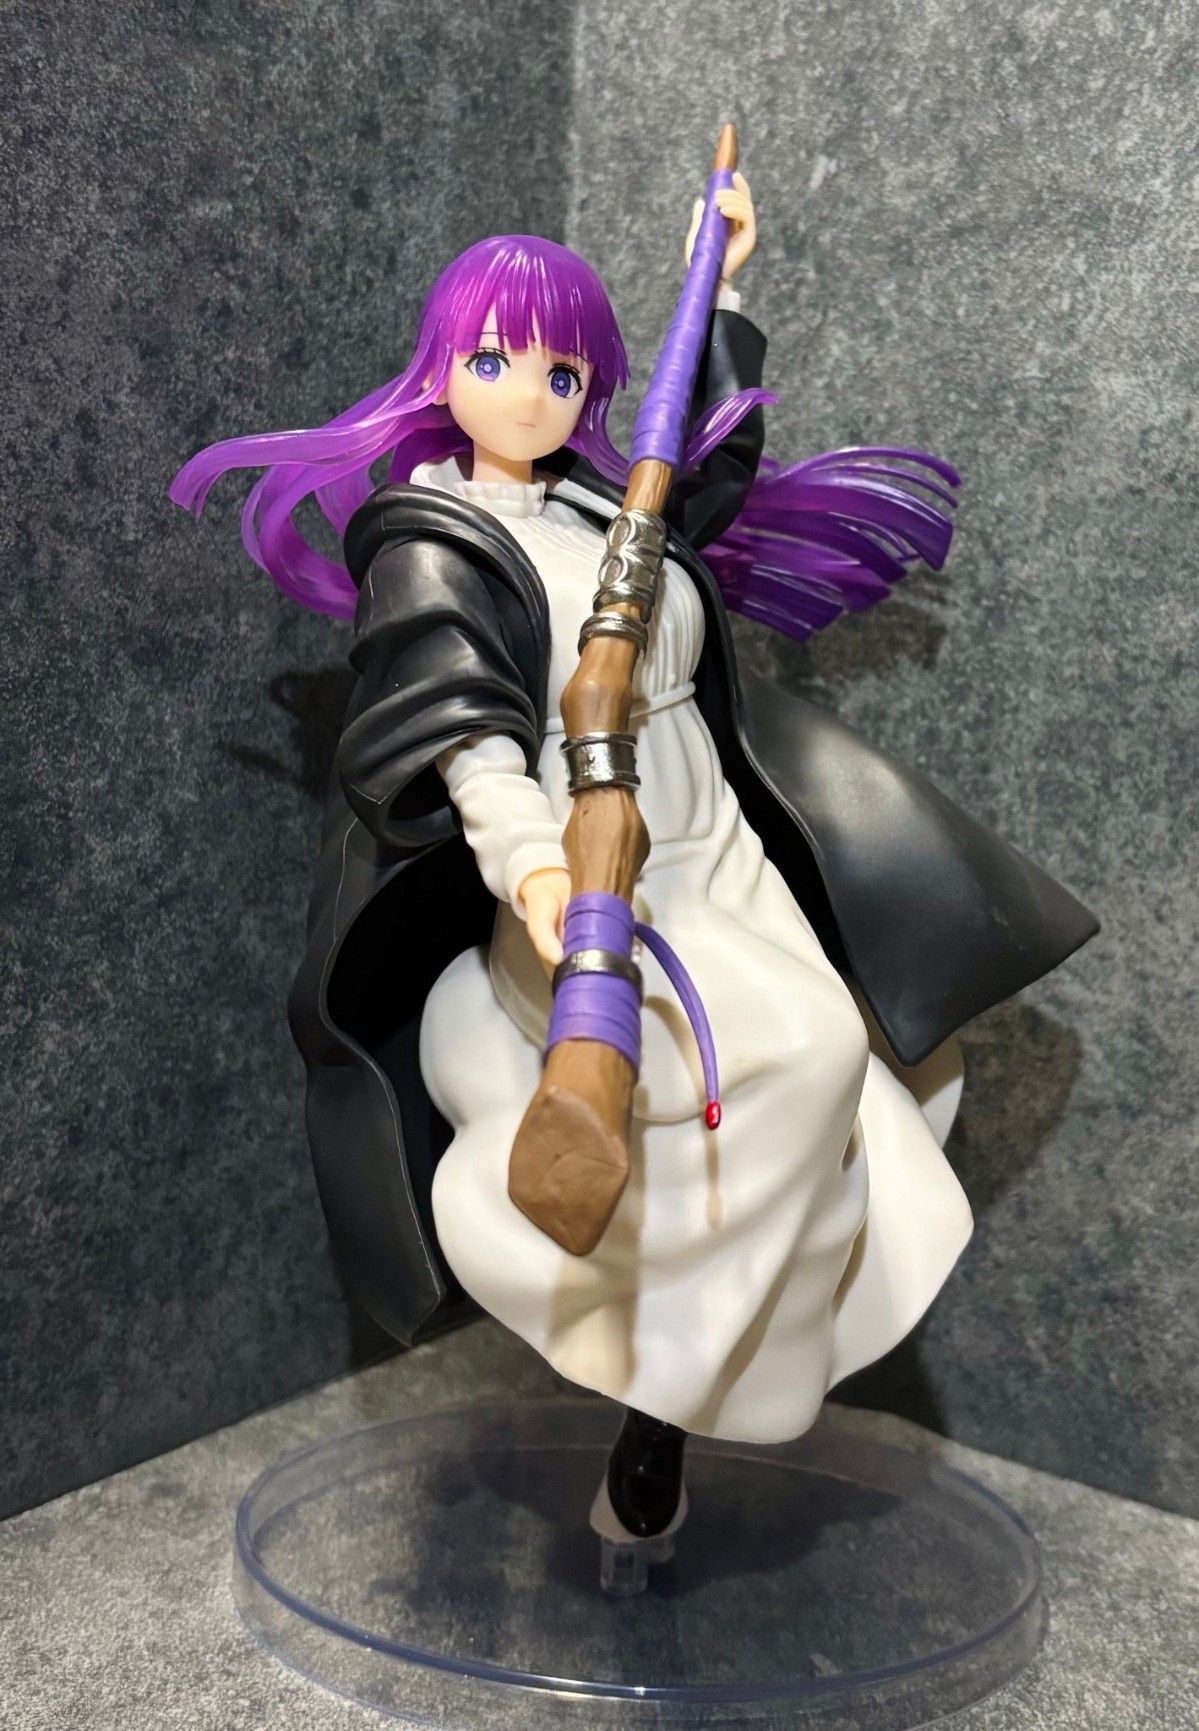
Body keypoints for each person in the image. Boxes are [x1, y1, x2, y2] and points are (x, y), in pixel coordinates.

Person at [171, 182, 1097, 1559]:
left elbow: (701, 478)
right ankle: (672, 1383)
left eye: (562, 373)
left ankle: (665, 1414)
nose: (529, 394)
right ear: (442, 366)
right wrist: (538, 872)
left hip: (711, 830)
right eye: (495, 358)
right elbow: (463, 736)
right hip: (584, 847)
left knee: (857, 1067)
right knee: (791, 1055)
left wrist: (718, 283)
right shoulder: (431, 544)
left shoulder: (604, 500)